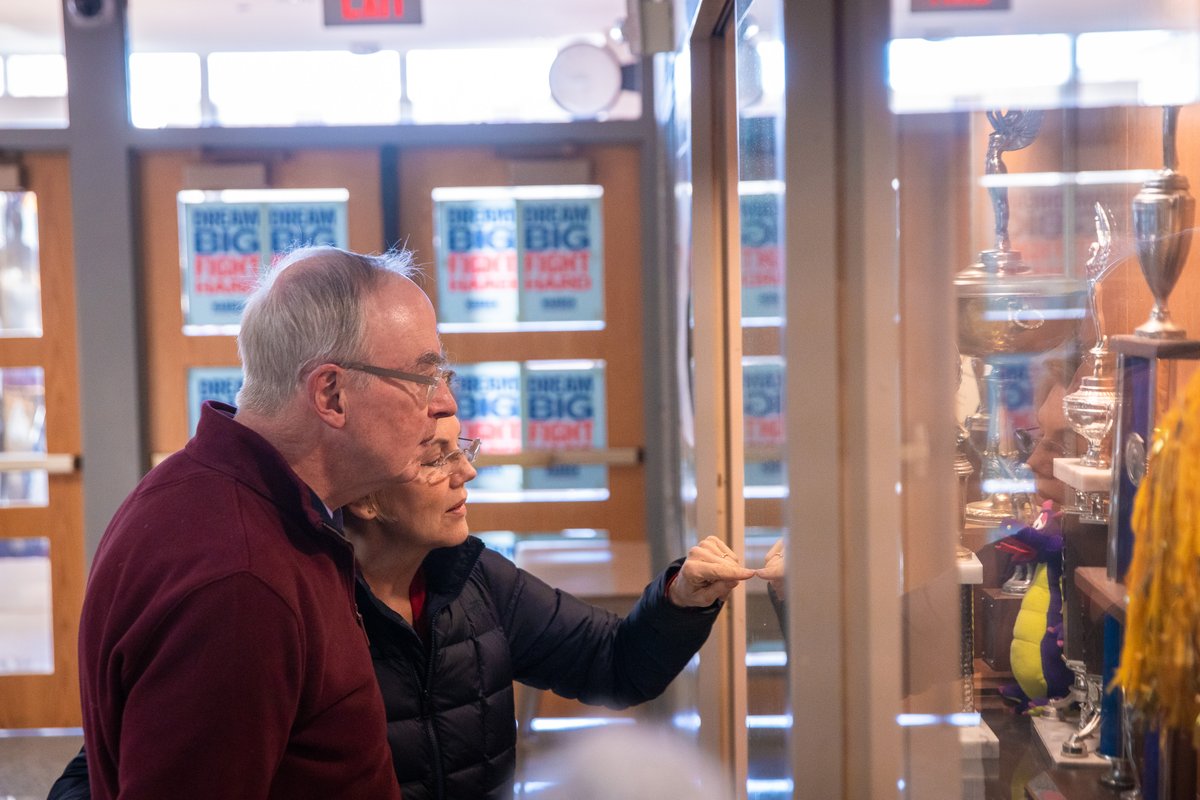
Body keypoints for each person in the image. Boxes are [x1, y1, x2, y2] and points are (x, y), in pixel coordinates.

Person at [52, 414, 758, 800]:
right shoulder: (282, 601)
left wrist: (680, 600)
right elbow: (115, 762)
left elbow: (616, 665)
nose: (467, 472)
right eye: (437, 459)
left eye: (464, 450)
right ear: (365, 497)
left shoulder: (474, 577)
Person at [74, 246, 456, 799]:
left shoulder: (239, 501)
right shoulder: (240, 581)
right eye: (424, 379)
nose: (444, 403)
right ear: (331, 394)